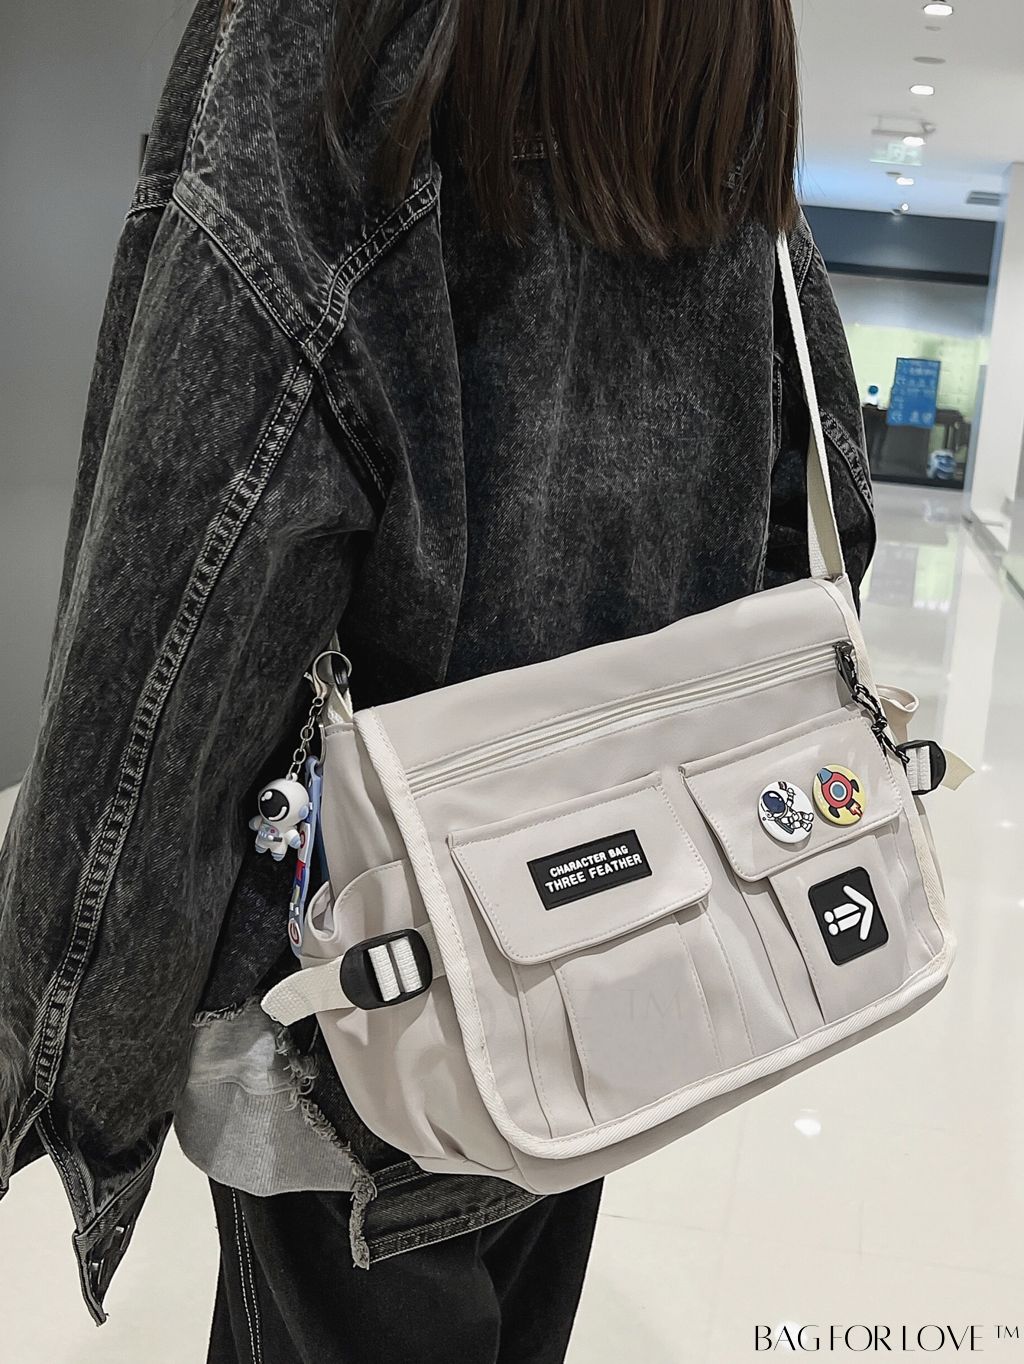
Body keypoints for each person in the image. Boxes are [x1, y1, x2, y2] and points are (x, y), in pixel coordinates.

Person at [0, 0, 875, 1360]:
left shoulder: (333, 33)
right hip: (622, 945)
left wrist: (69, 1037)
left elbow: (191, 571)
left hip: (359, 998)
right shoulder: (717, 47)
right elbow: (807, 501)